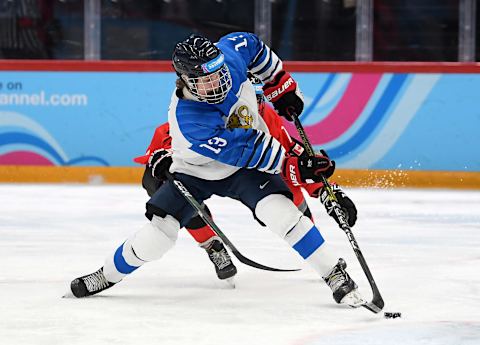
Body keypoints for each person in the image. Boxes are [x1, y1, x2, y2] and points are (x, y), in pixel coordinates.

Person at [69, 32, 362, 308]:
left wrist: (277, 84)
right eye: (206, 80)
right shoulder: (190, 119)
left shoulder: (232, 60)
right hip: (196, 172)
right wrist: (296, 167)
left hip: (242, 169)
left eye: (219, 73)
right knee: (159, 235)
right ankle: (107, 274)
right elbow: (252, 150)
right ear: (186, 82)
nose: (218, 83)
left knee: (281, 212)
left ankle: (334, 273)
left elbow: (251, 46)